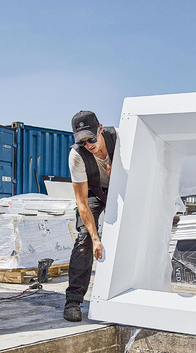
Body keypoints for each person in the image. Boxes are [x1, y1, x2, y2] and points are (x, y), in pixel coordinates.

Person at [64, 110, 118, 321]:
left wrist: (122, 175)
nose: (89, 145)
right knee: (84, 240)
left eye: (92, 139)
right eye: (83, 142)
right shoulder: (77, 156)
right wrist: (96, 238)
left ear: (101, 129)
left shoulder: (121, 138)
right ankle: (73, 301)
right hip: (95, 192)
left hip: (123, 188)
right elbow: (82, 202)